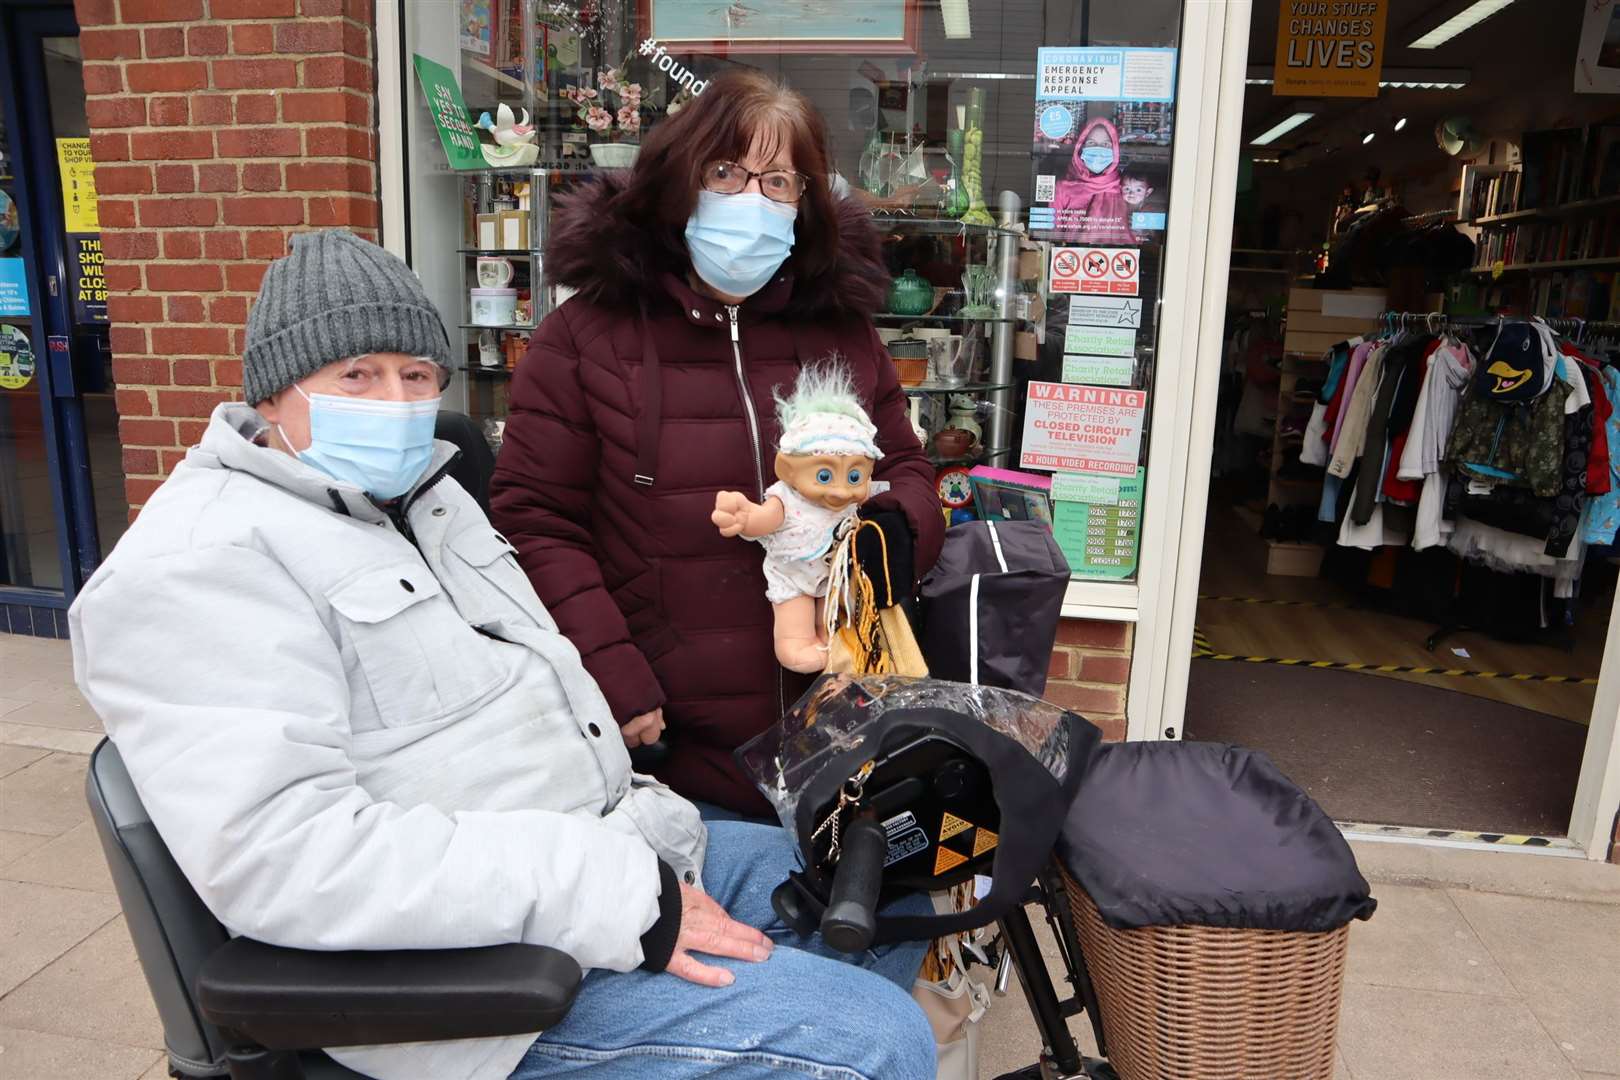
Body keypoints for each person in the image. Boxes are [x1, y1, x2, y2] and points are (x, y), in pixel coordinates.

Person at [69, 229, 934, 1080]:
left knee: (887, 884)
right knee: (874, 1038)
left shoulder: (429, 502)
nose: (395, 401)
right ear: (271, 397)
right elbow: (286, 860)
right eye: (355, 375)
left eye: (415, 376)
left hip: (605, 850)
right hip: (476, 974)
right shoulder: (199, 564)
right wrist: (612, 895)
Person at [490, 69, 944, 818]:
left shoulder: (841, 329)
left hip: (841, 723)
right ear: (679, 180)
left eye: (779, 181)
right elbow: (537, 522)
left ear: (805, 203)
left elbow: (905, 470)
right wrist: (614, 678)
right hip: (673, 754)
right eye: (726, 172)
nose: (750, 202)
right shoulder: (584, 337)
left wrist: (902, 530)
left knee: (873, 927)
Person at [1051, 116, 1138, 245]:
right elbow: (1054, 235)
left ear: (1115, 149)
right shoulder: (1062, 188)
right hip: (1073, 260)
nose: (1098, 149)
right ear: (1080, 148)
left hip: (1113, 260)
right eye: (1091, 143)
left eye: (1106, 144)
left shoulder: (1124, 187)